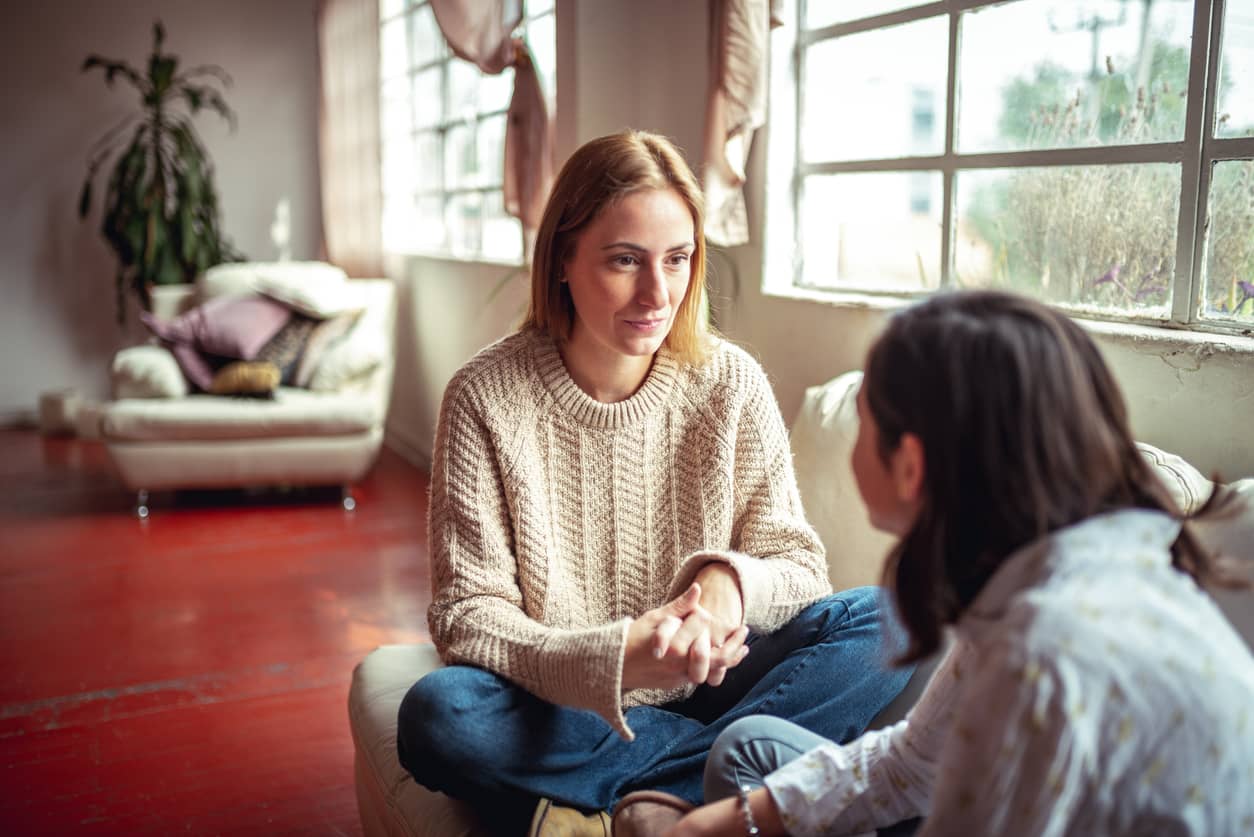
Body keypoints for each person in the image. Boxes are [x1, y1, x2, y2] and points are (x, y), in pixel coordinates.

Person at [392, 130, 913, 836]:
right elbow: (468, 615)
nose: (658, 292)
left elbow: (799, 565)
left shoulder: (729, 383)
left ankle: (616, 802)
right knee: (438, 715)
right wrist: (621, 654)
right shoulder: (485, 398)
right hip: (565, 702)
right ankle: (713, 791)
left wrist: (727, 587)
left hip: (716, 684)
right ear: (565, 261)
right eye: (625, 260)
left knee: (888, 615)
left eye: (677, 259)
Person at [667, 290, 1254, 836]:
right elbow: (913, 765)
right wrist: (711, 825)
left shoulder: (1040, 654)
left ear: (911, 465)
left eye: (865, 421)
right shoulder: (1047, 569)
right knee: (748, 751)